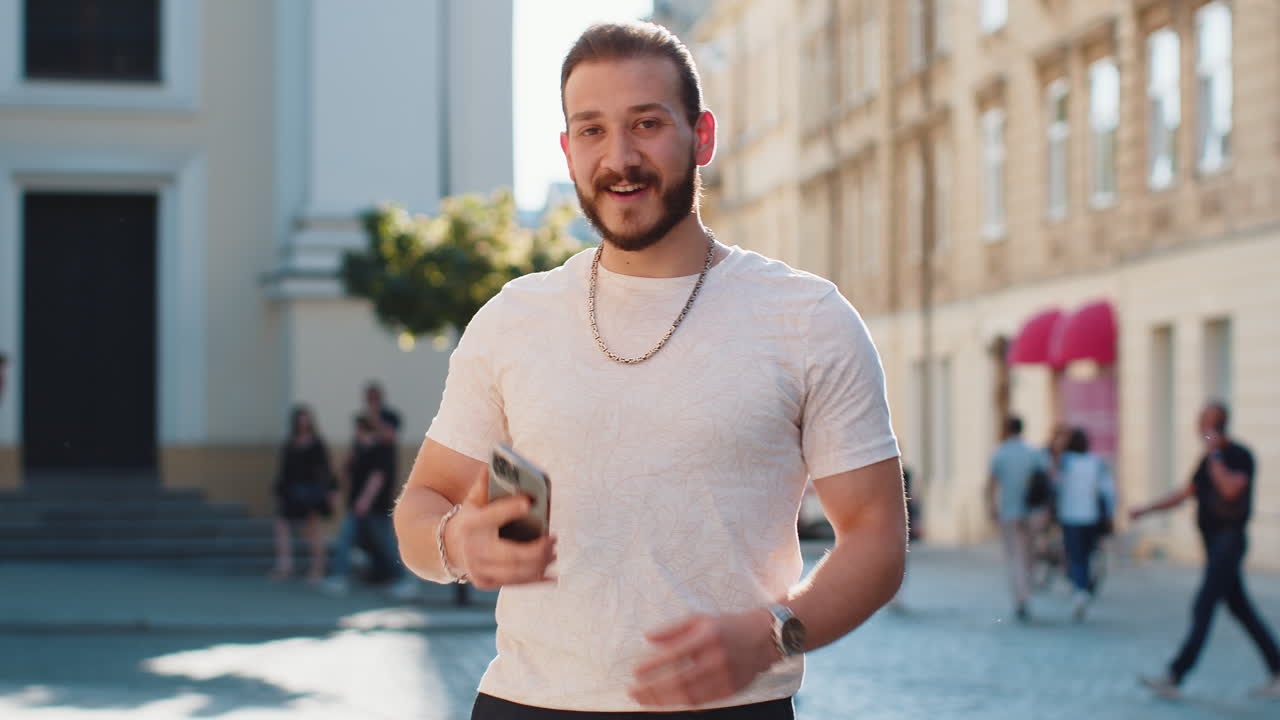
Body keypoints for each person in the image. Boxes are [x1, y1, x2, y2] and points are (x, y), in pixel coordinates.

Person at [393, 21, 905, 718]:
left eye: (646, 124)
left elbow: (876, 537)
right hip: (524, 704)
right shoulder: (514, 317)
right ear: (569, 151)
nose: (621, 158)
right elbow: (422, 503)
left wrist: (772, 637)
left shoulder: (806, 317)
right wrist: (453, 542)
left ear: (702, 137)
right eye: (594, 131)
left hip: (733, 708)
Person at [1132, 403, 1280, 699]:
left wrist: (1215, 454)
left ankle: (1175, 674)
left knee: (1204, 606)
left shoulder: (1238, 456)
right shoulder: (1208, 462)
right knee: (1242, 610)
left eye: (1205, 426)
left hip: (1229, 543)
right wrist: (1147, 510)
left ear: (1217, 427)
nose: (1200, 431)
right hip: (1214, 545)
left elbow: (1229, 489)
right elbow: (1185, 493)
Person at [323, 415, 401, 596]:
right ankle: (340, 576)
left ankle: (403, 578)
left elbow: (377, 478)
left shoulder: (383, 449)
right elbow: (346, 470)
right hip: (361, 507)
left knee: (387, 544)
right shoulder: (362, 448)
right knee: (347, 539)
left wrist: (364, 501)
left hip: (376, 507)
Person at [986, 416, 1047, 621]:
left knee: (1015, 556)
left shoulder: (1000, 452)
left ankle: (1021, 597)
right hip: (1032, 512)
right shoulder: (1033, 452)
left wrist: (992, 507)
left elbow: (992, 483)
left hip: (1010, 512)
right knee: (1029, 555)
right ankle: (1026, 592)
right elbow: (1046, 478)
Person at [1053, 427, 1114, 621]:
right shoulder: (1096, 462)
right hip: (1090, 516)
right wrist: (1109, 513)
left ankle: (1079, 590)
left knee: (1075, 555)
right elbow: (1107, 490)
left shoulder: (1065, 462)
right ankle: (1082, 588)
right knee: (1086, 555)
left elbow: (1056, 486)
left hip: (1070, 515)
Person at [270, 405, 336, 582]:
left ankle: (318, 568)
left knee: (313, 529)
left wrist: (330, 492)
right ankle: (285, 566)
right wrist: (278, 492)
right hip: (292, 491)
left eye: (305, 418)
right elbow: (283, 471)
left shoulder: (317, 443)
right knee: (281, 525)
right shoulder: (290, 443)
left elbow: (325, 470)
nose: (303, 422)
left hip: (311, 492)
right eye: (300, 418)